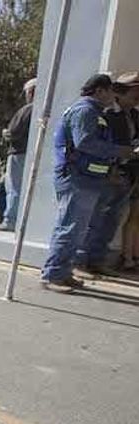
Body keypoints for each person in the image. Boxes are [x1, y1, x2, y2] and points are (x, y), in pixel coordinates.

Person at [40, 74, 138, 292]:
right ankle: (53, 274)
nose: (114, 95)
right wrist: (122, 152)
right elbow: (84, 142)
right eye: (111, 90)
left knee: (77, 228)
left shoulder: (95, 113)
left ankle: (63, 273)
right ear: (99, 91)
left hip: (87, 179)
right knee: (70, 227)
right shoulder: (85, 111)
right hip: (76, 178)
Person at [77, 71, 139, 274]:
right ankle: (81, 261)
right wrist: (112, 167)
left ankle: (97, 261)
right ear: (120, 92)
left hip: (127, 175)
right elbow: (98, 144)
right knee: (95, 219)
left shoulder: (134, 116)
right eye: (135, 94)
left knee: (111, 220)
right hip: (108, 174)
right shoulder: (106, 115)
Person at [0, 78, 36, 231]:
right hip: (33, 154)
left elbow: (14, 133)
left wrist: (6, 133)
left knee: (14, 187)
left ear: (31, 92)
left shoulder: (27, 110)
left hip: (18, 154)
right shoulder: (43, 110)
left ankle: (10, 221)